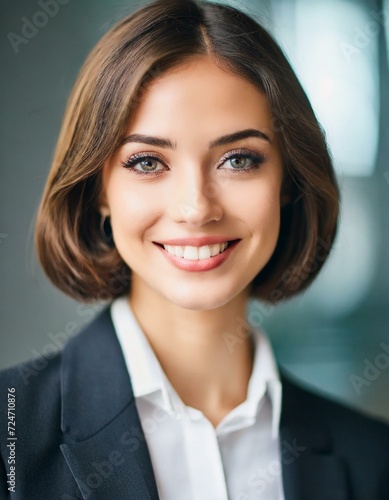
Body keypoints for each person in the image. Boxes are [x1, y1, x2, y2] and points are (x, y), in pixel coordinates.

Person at [1, 0, 389, 498]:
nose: (195, 208)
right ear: (98, 191)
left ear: (288, 183)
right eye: (146, 162)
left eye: (238, 159)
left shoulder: (374, 462)